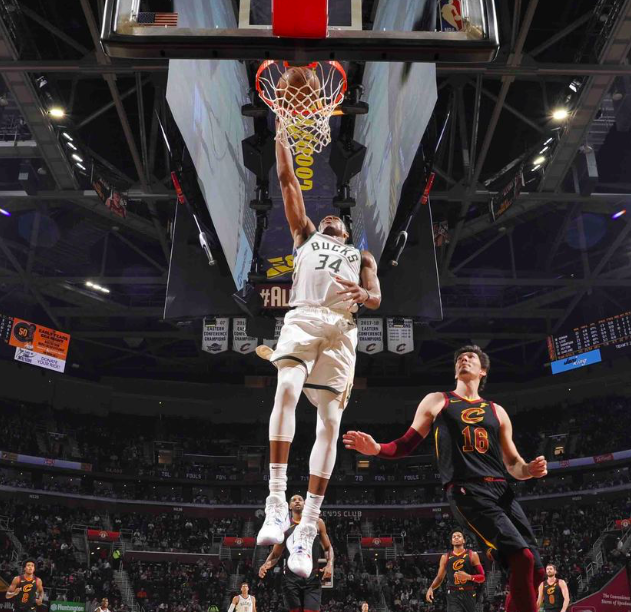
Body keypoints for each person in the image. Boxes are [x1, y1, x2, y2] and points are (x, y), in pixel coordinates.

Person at [256, 122, 381, 579]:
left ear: (346, 232)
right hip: (305, 316)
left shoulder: (362, 257)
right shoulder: (305, 236)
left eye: (337, 220)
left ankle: (307, 526)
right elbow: (288, 180)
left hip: (343, 329)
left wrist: (365, 295)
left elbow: (376, 297)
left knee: (330, 423)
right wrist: (281, 135)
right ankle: (275, 499)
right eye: (325, 218)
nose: (330, 218)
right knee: (286, 388)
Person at [343, 345, 548, 612]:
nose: (464, 359)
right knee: (522, 558)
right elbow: (405, 444)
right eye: (459, 358)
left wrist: (529, 470)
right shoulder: (438, 400)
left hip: (502, 490)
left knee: (536, 571)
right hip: (467, 490)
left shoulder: (497, 411)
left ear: (483, 371)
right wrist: (377, 449)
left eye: (471, 357)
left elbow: (513, 464)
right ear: (454, 370)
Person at [259, 494, 334, 612]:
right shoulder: (285, 527)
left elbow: (328, 547)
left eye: (300, 499)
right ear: (290, 506)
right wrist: (266, 564)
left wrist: (329, 564)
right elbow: (275, 554)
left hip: (312, 578)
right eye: (294, 500)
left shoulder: (317, 523)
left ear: (305, 504)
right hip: (291, 580)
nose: (297, 501)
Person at [426, 531, 484, 612]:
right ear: (451, 541)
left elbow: (482, 577)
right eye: (454, 536)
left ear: (464, 540)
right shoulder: (445, 557)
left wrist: (469, 577)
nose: (456, 537)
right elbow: (439, 577)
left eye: (459, 536)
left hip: (469, 593)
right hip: (453, 594)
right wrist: (431, 588)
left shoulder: (472, 555)